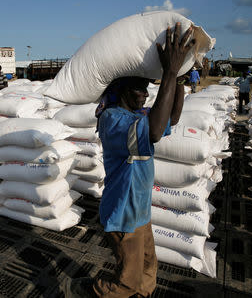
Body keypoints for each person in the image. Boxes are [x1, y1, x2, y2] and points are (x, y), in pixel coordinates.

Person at [63, 22, 195, 298]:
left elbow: (171, 118)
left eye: (147, 90)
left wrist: (180, 77)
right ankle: (90, 291)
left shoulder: (138, 115)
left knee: (148, 270)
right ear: (122, 90)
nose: (145, 95)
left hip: (140, 214)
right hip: (123, 214)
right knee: (128, 280)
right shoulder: (112, 120)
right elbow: (156, 131)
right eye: (139, 89)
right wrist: (170, 71)